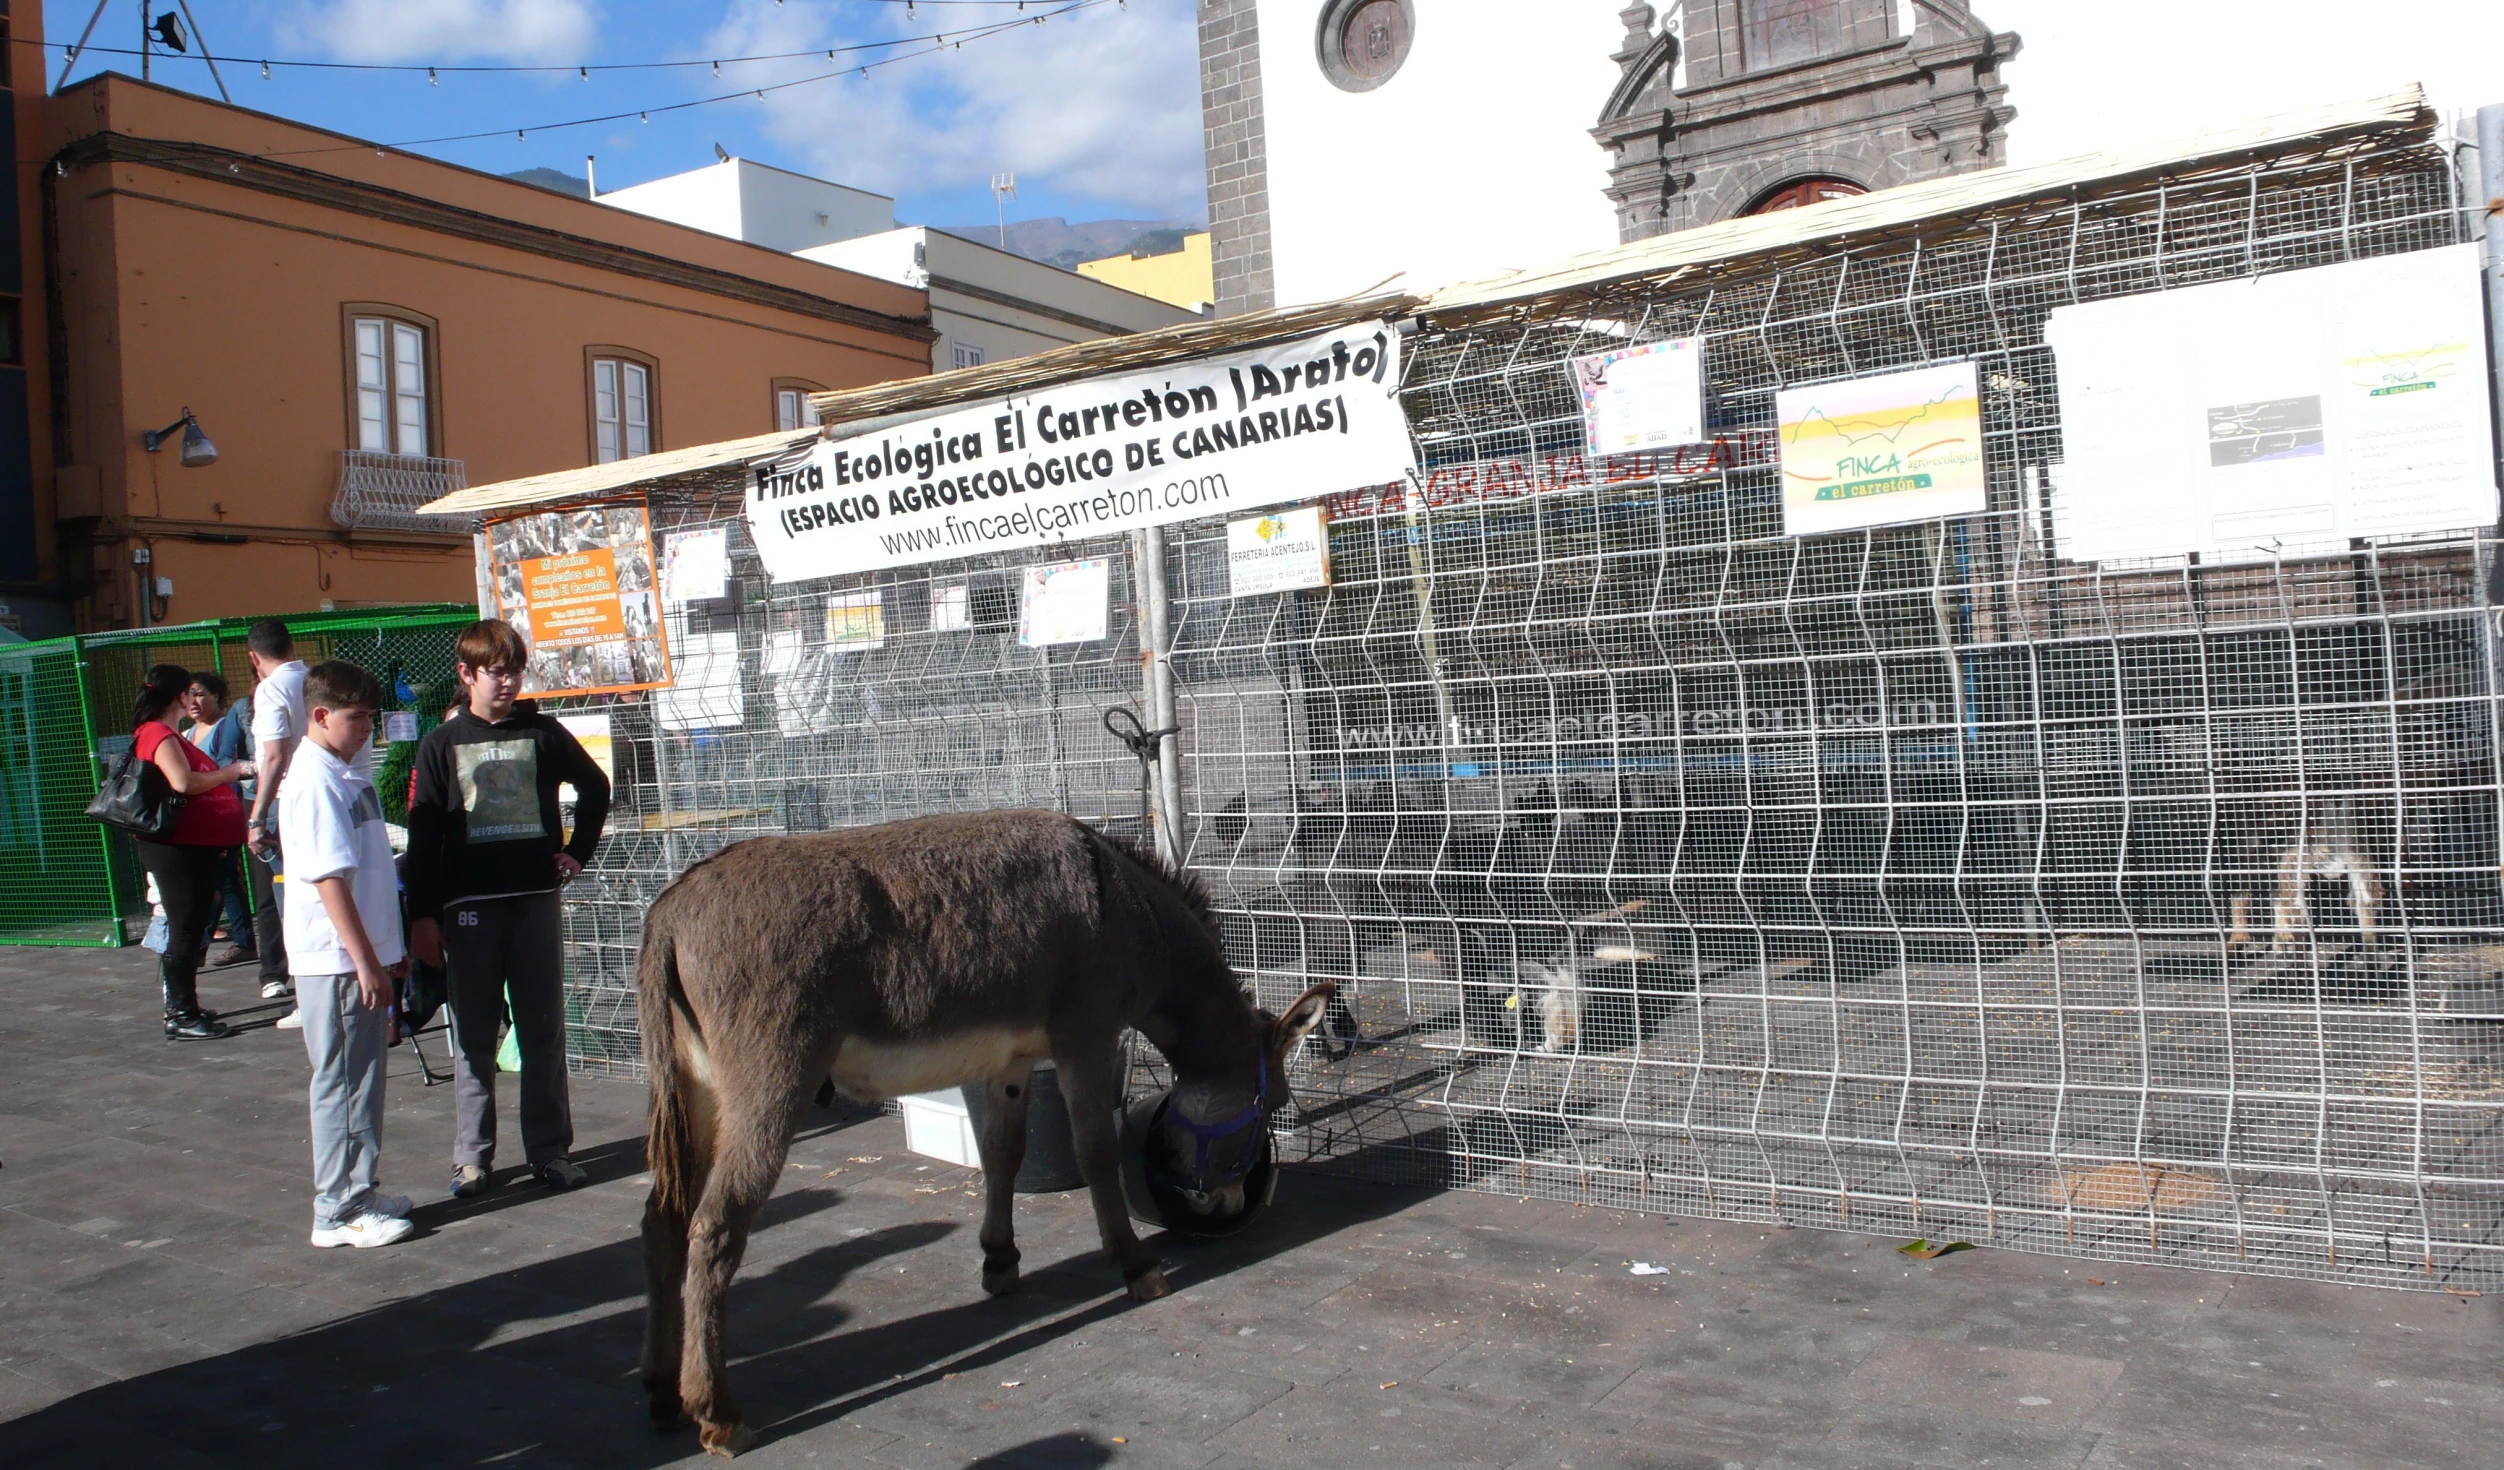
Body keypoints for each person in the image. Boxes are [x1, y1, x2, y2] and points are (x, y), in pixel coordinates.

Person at [405, 619, 612, 1198]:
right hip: (467, 909)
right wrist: (421, 916)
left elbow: (595, 788)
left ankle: (550, 1152)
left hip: (535, 904)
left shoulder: (543, 732)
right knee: (473, 1038)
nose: (509, 682)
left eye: (516, 671)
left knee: (542, 1031)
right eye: (498, 672)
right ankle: (472, 1159)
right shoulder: (441, 745)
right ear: (467, 675)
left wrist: (577, 854)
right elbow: (422, 838)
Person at [280, 659, 416, 1249]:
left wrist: (388, 950)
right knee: (339, 1081)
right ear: (320, 715)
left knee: (363, 1079)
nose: (366, 729)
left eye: (370, 717)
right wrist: (364, 959)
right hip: (336, 963)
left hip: (359, 957)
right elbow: (329, 879)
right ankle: (335, 1210)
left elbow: (368, 872)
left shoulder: (341, 771)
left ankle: (357, 1190)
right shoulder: (313, 779)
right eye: (355, 718)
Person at [129, 664, 254, 1040]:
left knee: (192, 921)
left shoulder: (162, 732)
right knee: (185, 925)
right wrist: (228, 773)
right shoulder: (159, 733)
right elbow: (182, 782)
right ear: (180, 696)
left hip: (184, 846)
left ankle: (186, 1005)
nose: (195, 699)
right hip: (173, 847)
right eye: (191, 692)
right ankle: (180, 1014)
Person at [244, 620, 305, 1027]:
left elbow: (273, 756)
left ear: (254, 657)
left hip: (290, 805)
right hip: (330, 797)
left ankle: (308, 999)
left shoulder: (270, 689)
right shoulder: (317, 678)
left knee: (295, 901)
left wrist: (257, 816)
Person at [183, 673, 257, 966]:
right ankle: (238, 941)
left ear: (216, 696)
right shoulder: (188, 733)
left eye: (200, 694)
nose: (194, 701)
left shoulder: (224, 726)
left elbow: (229, 768)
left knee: (220, 878)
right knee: (222, 880)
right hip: (199, 819)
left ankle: (202, 948)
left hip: (224, 816)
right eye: (189, 694)